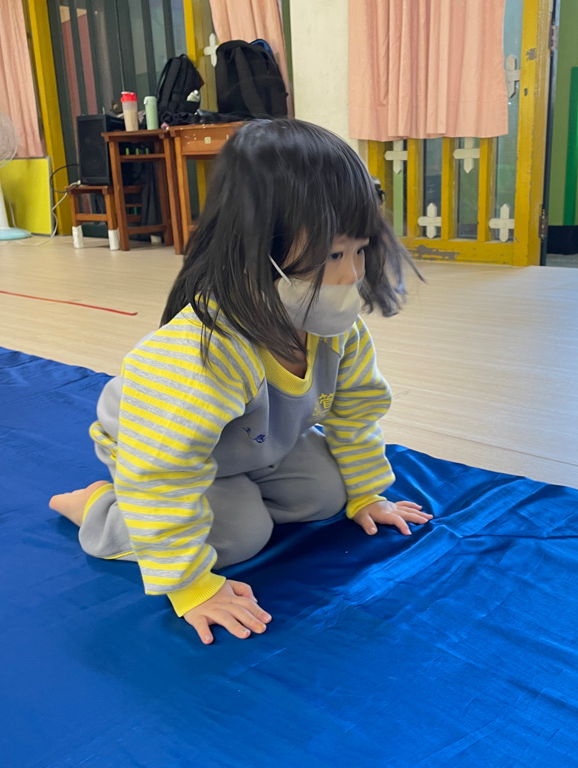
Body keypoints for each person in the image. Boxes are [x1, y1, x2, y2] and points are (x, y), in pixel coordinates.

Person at [50, 119, 431, 644]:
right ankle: (99, 507)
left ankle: (240, 492)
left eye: (359, 251)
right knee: (239, 535)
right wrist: (190, 585)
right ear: (258, 250)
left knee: (328, 493)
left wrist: (367, 493)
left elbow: (356, 413)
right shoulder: (205, 350)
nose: (351, 275)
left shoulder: (335, 330)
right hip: (156, 448)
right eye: (332, 256)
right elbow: (161, 472)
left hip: (250, 444)